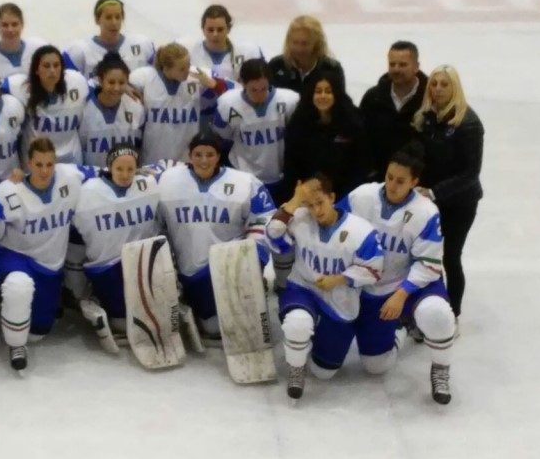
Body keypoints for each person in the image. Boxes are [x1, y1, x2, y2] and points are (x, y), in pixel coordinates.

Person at [341, 143, 457, 404]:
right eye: (389, 177)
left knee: (435, 312)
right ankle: (402, 328)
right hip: (374, 287)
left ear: (415, 182)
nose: (392, 185)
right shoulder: (362, 196)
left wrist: (403, 293)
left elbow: (428, 263)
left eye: (401, 181)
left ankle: (440, 368)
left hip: (414, 282)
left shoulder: (426, 212)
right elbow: (336, 223)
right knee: (375, 366)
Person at [264, 175, 384, 400]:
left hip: (339, 298)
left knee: (323, 372)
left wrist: (339, 279)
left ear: (332, 198)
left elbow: (374, 270)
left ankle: (397, 332)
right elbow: (273, 238)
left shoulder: (360, 231)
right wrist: (293, 202)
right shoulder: (298, 218)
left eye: (320, 202)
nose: (315, 210)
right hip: (303, 286)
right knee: (297, 325)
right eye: (309, 204)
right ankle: (296, 367)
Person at [0, 138, 93, 370]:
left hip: (49, 265)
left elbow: (103, 173)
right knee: (19, 286)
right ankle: (15, 345)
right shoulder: (8, 192)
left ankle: (7, 303)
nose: (44, 171)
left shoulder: (70, 176)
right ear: (28, 163)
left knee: (38, 332)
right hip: (13, 255)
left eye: (49, 164)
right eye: (38, 164)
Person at [156, 131, 275, 339]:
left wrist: (252, 258)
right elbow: (134, 172)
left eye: (210, 154)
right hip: (186, 269)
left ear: (219, 156)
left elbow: (264, 217)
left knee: (216, 328)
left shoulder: (245, 183)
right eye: (198, 154)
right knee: (208, 326)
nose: (204, 160)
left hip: (226, 267)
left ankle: (251, 290)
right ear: (189, 156)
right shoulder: (167, 178)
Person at [411, 65, 484, 318]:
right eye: (434, 83)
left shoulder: (469, 124)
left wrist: (433, 192)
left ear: (455, 88)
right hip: (432, 199)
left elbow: (470, 173)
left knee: (450, 256)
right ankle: (427, 309)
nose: (438, 89)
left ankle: (452, 313)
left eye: (444, 84)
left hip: (460, 203)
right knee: (426, 257)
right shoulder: (427, 117)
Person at [72, 145, 161, 339]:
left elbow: (177, 168)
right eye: (119, 168)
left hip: (141, 261)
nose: (125, 174)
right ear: (109, 167)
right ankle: (94, 294)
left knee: (150, 311)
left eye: (130, 169)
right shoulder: (88, 190)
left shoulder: (149, 184)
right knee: (120, 322)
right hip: (105, 265)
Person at [130, 43, 232, 164]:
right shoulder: (144, 78)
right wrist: (126, 88)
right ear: (166, 68)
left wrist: (214, 84)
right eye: (182, 69)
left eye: (188, 65)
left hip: (187, 158)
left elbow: (235, 94)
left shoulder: (198, 76)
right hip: (153, 157)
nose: (187, 70)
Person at [212, 58, 300, 199]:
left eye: (263, 89)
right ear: (242, 83)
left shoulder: (290, 101)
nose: (259, 95)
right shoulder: (227, 104)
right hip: (243, 176)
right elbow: (223, 137)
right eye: (253, 90)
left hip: (281, 176)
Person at [282, 72, 371, 204]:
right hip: (307, 196)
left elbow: (360, 165)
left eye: (328, 91)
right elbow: (291, 164)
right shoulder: (299, 122)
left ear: (336, 94)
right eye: (318, 91)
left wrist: (343, 199)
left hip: (343, 196)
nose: (323, 96)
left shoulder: (353, 123)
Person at [2, 45, 89, 164]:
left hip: (71, 160)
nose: (52, 70)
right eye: (46, 66)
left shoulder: (77, 82)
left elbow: (101, 88)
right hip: (36, 163)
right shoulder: (19, 87)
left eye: (56, 65)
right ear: (36, 70)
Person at [359, 40, 427, 180]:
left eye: (402, 65)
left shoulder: (430, 100)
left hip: (418, 183)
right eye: (392, 64)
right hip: (377, 181)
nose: (396, 69)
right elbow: (361, 140)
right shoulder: (373, 98)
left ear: (416, 67)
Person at [79, 53, 146, 168]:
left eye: (121, 83)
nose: (116, 88)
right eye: (111, 82)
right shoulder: (84, 107)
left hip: (124, 177)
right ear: (100, 81)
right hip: (93, 177)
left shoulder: (135, 107)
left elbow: (138, 146)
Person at [63, 0, 155, 76]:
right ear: (97, 20)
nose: (114, 23)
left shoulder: (143, 45)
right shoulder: (79, 51)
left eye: (118, 17)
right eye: (108, 17)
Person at [266, 15, 347, 97]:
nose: (299, 49)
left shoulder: (332, 69)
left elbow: (340, 103)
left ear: (316, 43)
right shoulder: (276, 66)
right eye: (295, 43)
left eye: (305, 44)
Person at [186, 5, 265, 83]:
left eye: (220, 30)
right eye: (210, 30)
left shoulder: (248, 53)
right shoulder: (188, 52)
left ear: (228, 29)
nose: (215, 34)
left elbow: (265, 85)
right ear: (203, 29)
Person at [0, 3, 47, 79]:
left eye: (14, 24)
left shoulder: (38, 49)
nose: (10, 30)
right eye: (5, 25)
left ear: (22, 25)